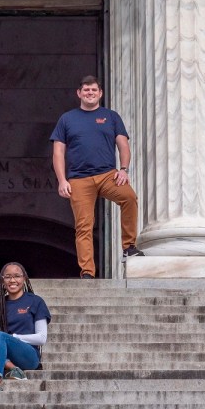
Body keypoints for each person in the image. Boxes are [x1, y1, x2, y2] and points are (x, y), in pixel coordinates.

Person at [50, 75, 142, 279]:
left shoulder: (111, 116)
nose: (89, 93)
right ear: (79, 93)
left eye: (93, 90)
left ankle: (129, 247)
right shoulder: (67, 119)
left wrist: (124, 169)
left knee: (129, 197)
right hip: (79, 179)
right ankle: (88, 273)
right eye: (86, 90)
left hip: (108, 174)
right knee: (84, 225)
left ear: (100, 93)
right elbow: (58, 152)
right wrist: (62, 180)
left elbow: (123, 145)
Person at [0, 262, 51, 392]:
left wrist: (12, 337)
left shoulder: (35, 301)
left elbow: (41, 338)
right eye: (8, 277)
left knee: (0, 335)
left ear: (24, 278)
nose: (12, 280)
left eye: (17, 276)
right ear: (2, 280)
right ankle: (12, 368)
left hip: (28, 357)